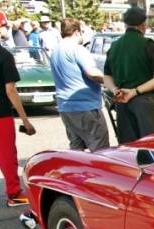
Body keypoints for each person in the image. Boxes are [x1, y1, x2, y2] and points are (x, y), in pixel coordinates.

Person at [0, 10, 35, 207]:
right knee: (6, 153)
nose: (7, 29)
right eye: (6, 26)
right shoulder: (3, 54)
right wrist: (25, 119)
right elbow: (11, 90)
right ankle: (13, 193)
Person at [103, 6, 154, 143]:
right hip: (145, 102)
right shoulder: (148, 45)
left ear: (126, 25)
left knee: (128, 146)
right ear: (143, 25)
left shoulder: (114, 46)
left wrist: (114, 89)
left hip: (122, 101)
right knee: (151, 145)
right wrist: (135, 91)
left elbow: (106, 76)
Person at [49, 18, 109, 151]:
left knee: (76, 149)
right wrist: (110, 82)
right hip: (85, 106)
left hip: (65, 106)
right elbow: (92, 73)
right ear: (77, 32)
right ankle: (99, 172)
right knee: (100, 148)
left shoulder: (55, 51)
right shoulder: (77, 49)